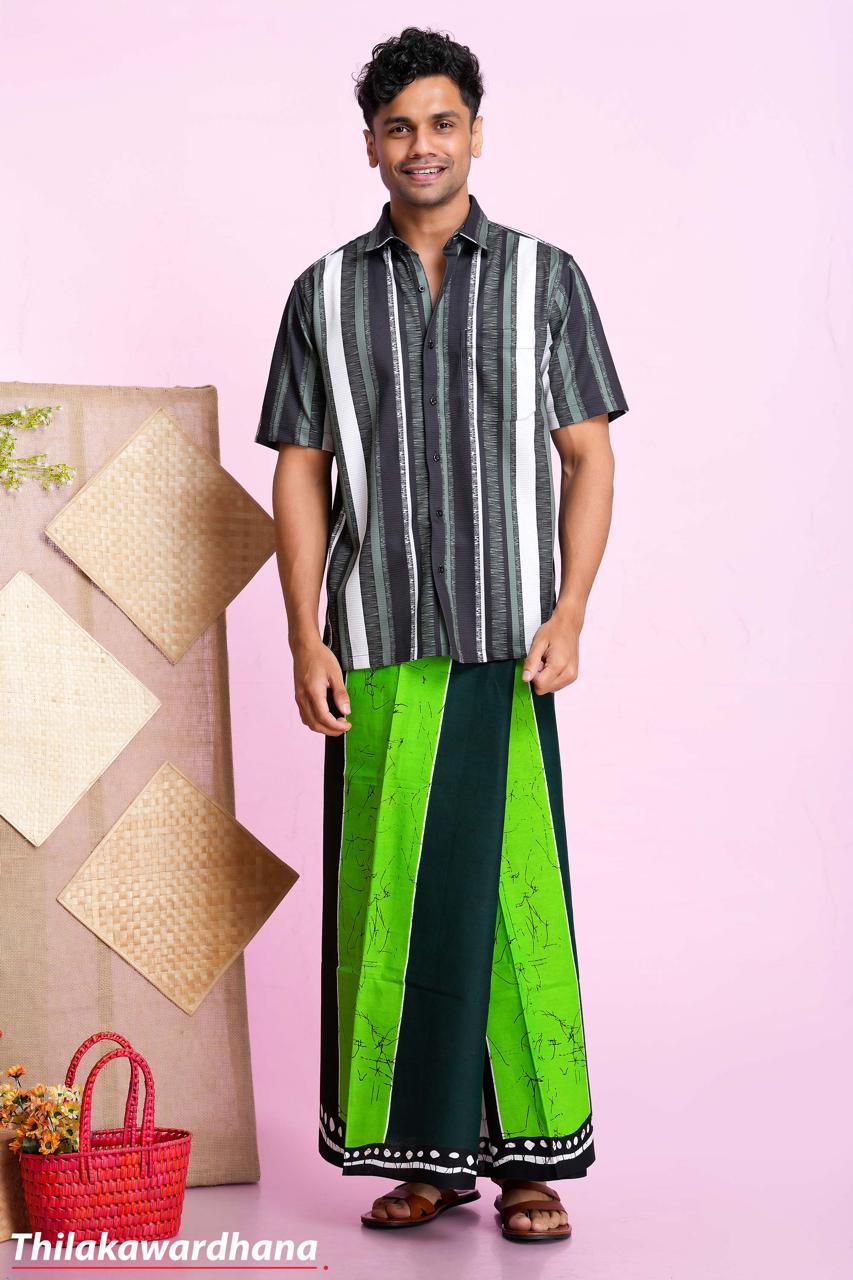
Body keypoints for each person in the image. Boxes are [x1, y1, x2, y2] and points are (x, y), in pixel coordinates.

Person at [255, 26, 629, 1244]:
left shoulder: (543, 278)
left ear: (475, 131)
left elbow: (588, 456)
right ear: (369, 144)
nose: (421, 144)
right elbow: (300, 468)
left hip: (505, 644)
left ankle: (526, 1164)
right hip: (373, 641)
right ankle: (421, 1158)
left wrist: (570, 610)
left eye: (441, 122)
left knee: (511, 906)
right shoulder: (322, 293)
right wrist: (304, 633)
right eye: (398, 126)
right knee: (390, 903)